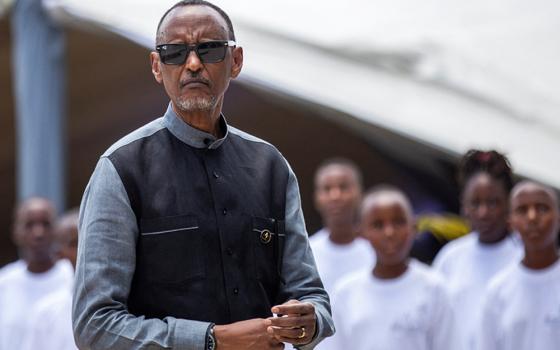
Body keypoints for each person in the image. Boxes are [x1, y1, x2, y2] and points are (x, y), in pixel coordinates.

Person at [72, 1, 334, 349]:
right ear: (156, 66)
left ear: (235, 61)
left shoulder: (269, 166)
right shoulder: (121, 169)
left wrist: (308, 321)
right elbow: (95, 325)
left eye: (209, 49)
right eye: (175, 53)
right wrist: (213, 341)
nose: (192, 64)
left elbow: (312, 296)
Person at [324, 186, 456, 350]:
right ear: (362, 233)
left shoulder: (435, 288)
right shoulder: (345, 293)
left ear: (413, 227)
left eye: (399, 222)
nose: (389, 232)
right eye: (378, 225)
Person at [432, 149, 522, 350]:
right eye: (475, 203)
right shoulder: (450, 258)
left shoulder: (525, 257)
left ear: (508, 203)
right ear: (464, 206)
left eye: (493, 203)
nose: (483, 212)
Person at [478, 181, 560, 350]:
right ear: (510, 223)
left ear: (558, 217)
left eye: (542, 208)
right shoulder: (498, 291)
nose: (532, 217)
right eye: (522, 210)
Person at [0, 197, 74, 350]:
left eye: (46, 224)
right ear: (16, 232)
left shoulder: (72, 278)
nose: (38, 233)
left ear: (57, 231)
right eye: (29, 225)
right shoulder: (4, 283)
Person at [309, 158, 375, 294]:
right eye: (327, 189)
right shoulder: (305, 253)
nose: (335, 196)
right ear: (317, 198)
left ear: (359, 194)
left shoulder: (377, 252)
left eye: (343, 187)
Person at [22, 209, 79, 350]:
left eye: (91, 239)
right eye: (75, 243)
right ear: (60, 253)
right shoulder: (46, 313)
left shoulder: (124, 306)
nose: (86, 248)